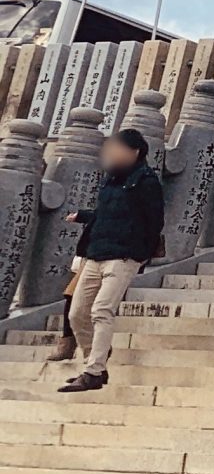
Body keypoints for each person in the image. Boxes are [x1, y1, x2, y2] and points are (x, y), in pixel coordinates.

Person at [54, 126, 166, 395]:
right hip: (96, 254)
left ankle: (92, 370)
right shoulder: (112, 180)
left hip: (123, 257)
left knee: (101, 310)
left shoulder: (146, 181)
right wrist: (83, 215)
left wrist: (140, 254)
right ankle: (96, 361)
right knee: (77, 313)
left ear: (134, 152)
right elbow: (106, 214)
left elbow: (155, 221)